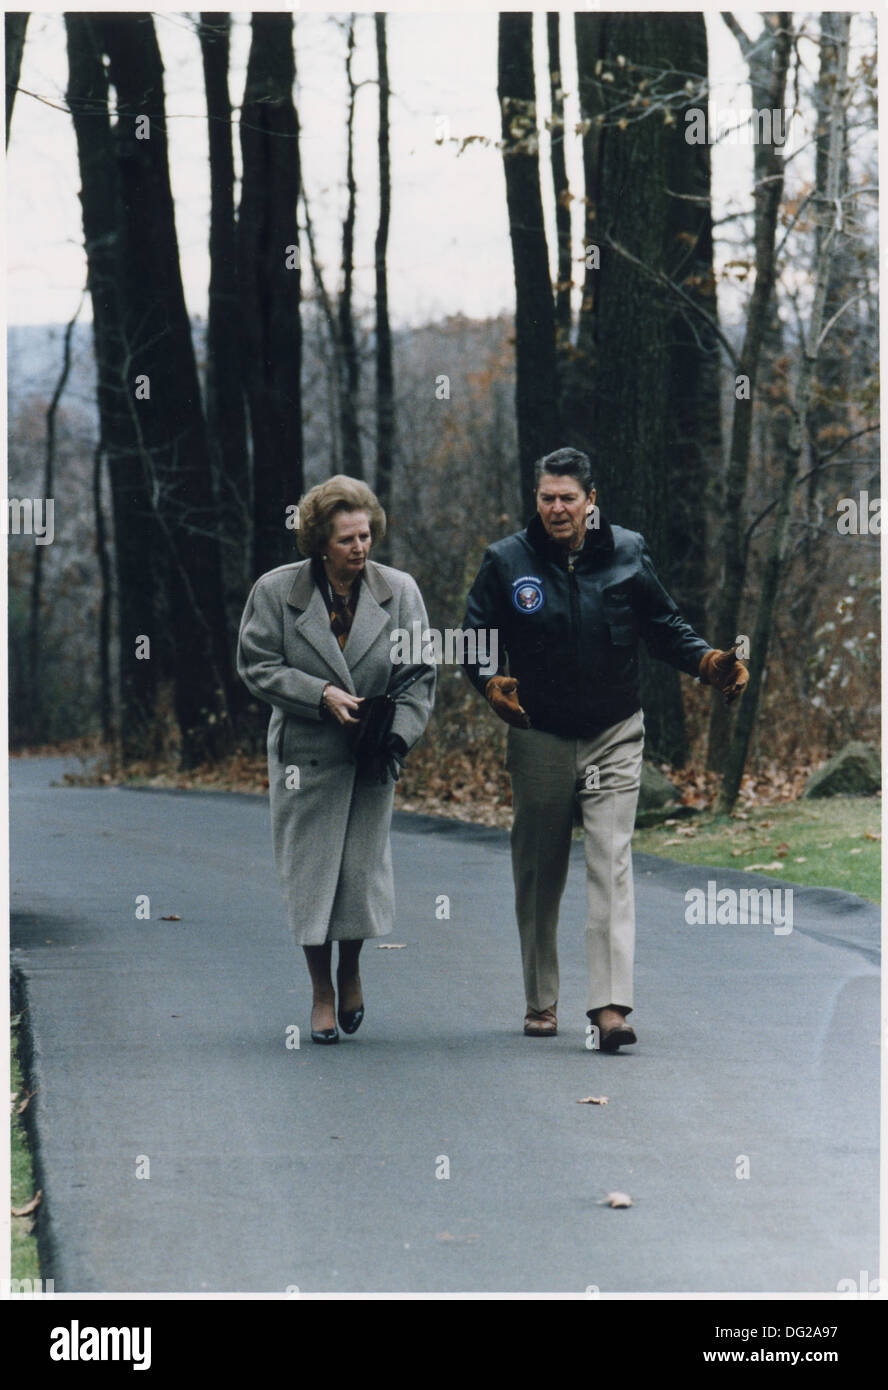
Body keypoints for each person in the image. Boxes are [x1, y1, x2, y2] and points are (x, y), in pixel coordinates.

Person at [461, 448, 746, 1051]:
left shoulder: (627, 551)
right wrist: (490, 680)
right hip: (538, 732)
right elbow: (476, 636)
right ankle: (541, 999)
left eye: (568, 497)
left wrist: (706, 661)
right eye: (547, 498)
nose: (557, 508)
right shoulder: (507, 561)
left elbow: (663, 624)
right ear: (535, 500)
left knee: (611, 863)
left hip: (614, 732)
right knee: (539, 870)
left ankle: (610, 1008)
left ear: (592, 501)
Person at [237, 476, 435, 1044]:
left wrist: (396, 737)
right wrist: (318, 695)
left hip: (371, 753)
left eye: (366, 535)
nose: (360, 547)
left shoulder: (399, 592)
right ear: (320, 541)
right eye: (347, 538)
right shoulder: (278, 593)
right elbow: (256, 665)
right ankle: (320, 989)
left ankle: (351, 969)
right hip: (306, 757)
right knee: (311, 875)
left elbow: (419, 674)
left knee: (358, 873)